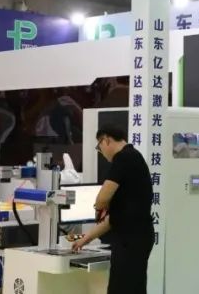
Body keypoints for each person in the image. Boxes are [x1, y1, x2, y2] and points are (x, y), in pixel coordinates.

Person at [71, 125, 154, 294]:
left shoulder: (123, 158)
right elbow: (114, 218)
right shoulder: (133, 157)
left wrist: (98, 207)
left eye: (99, 147)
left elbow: (102, 199)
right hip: (137, 236)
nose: (100, 152)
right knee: (133, 287)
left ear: (106, 140)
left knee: (121, 288)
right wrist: (85, 239)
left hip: (131, 239)